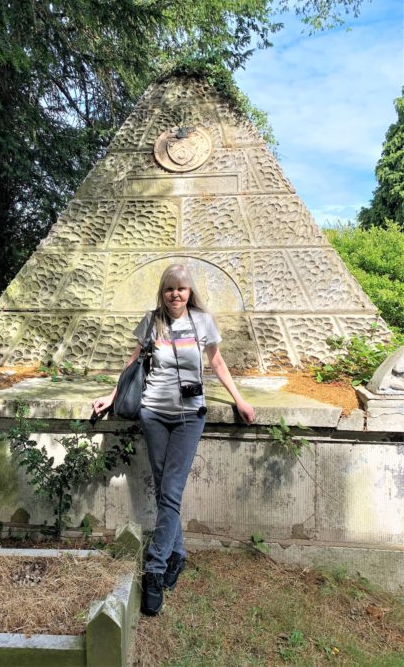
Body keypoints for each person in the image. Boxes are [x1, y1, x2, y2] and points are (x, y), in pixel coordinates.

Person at [92, 264, 256, 616]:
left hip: (189, 417)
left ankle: (154, 568)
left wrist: (239, 399)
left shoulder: (202, 322)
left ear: (189, 291)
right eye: (169, 289)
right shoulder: (152, 322)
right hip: (153, 413)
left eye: (181, 289)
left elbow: (217, 363)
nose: (175, 294)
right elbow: (132, 363)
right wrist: (112, 396)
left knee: (171, 490)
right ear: (162, 292)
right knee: (167, 490)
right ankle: (176, 554)